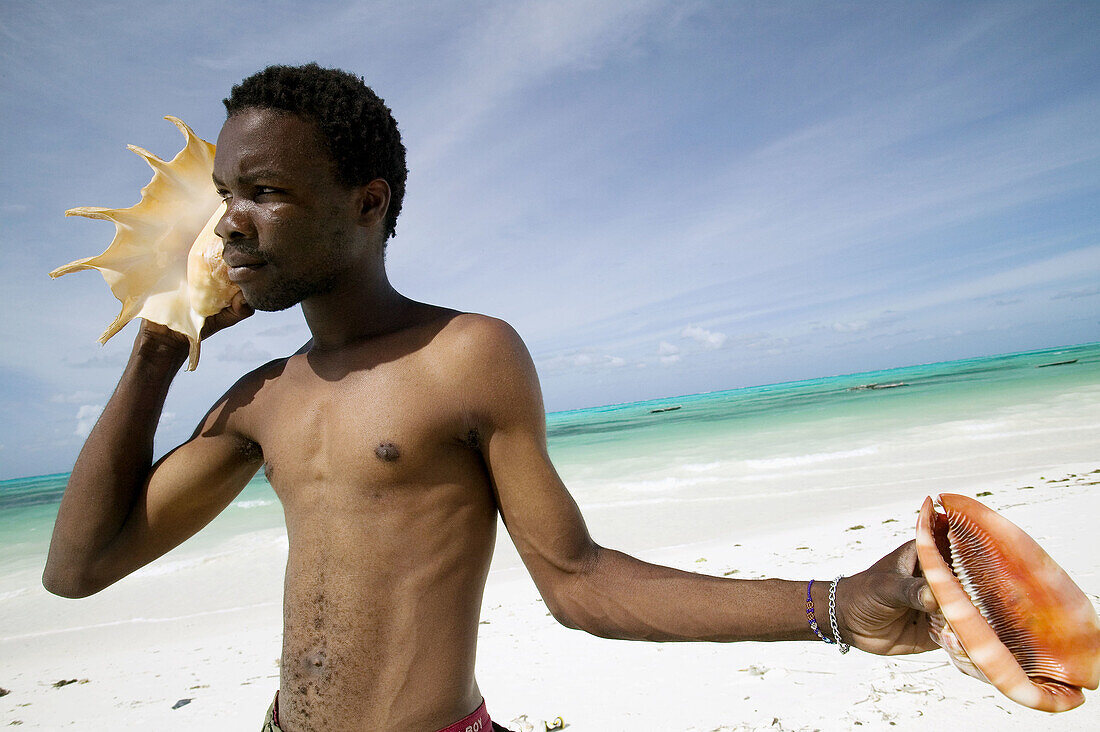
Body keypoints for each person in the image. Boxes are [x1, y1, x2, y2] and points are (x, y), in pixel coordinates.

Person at [43, 63, 938, 732]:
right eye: (227, 195)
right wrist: (157, 352)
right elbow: (78, 569)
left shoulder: (465, 356)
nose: (230, 221)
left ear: (366, 203)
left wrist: (834, 605)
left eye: (266, 192)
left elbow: (579, 581)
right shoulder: (259, 400)